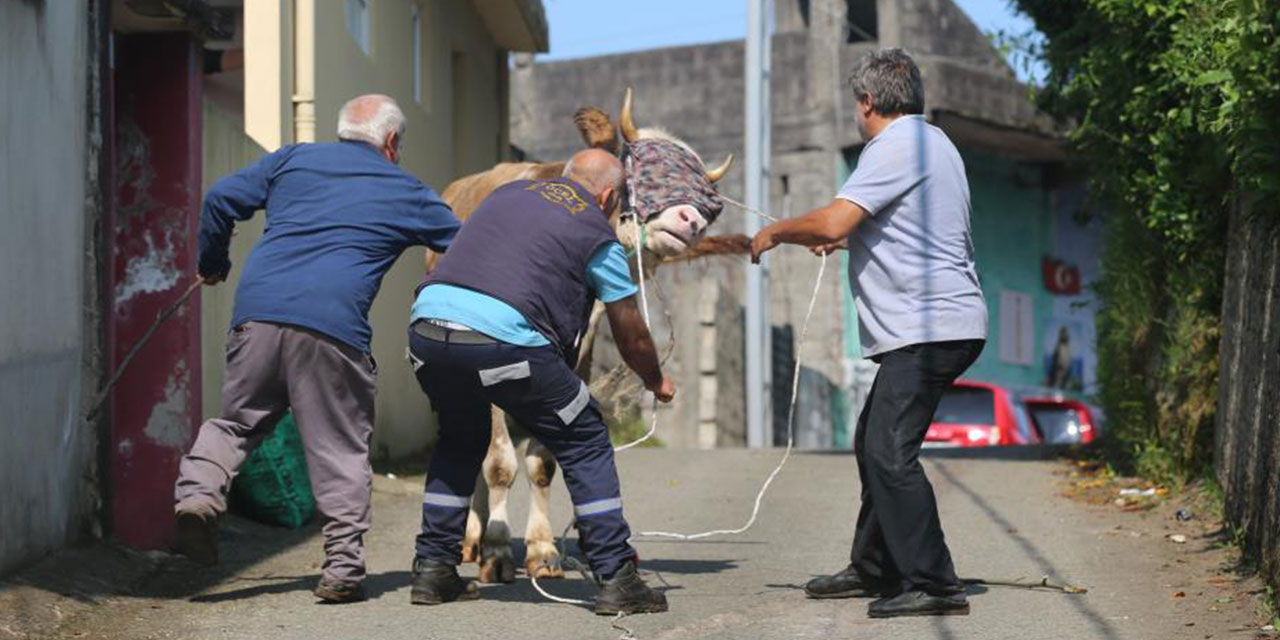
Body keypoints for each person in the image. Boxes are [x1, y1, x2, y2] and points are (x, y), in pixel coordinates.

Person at [174, 94, 460, 603]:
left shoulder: (293, 159)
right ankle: (342, 570)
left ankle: (198, 496)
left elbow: (220, 197)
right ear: (392, 142)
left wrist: (213, 261)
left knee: (237, 423)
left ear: (343, 129)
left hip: (256, 316)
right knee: (338, 446)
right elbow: (467, 246)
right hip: (333, 329)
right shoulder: (407, 189)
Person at [750, 49, 988, 618]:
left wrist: (777, 231)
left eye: (855, 105)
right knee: (873, 443)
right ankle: (876, 567)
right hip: (937, 324)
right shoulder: (934, 143)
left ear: (867, 102)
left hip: (929, 326)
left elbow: (834, 218)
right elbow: (904, 226)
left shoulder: (895, 145)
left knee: (889, 451)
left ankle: (934, 583)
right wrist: (850, 236)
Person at [405, 149, 674, 615]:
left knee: (460, 437)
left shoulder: (505, 196)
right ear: (609, 195)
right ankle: (615, 575)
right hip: (503, 341)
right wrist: (655, 379)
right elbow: (629, 331)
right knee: (585, 433)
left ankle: (433, 569)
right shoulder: (598, 235)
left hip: (427, 331)